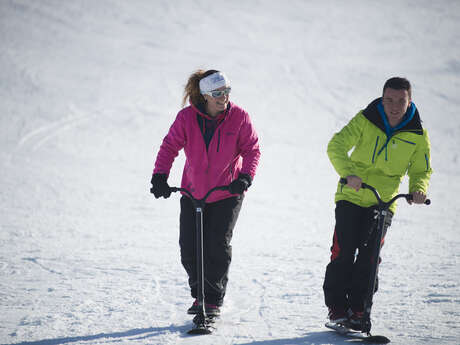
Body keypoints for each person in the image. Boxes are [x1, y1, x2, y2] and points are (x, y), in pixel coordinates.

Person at [323, 77, 432, 329]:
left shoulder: (417, 135)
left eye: (400, 101)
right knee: (344, 251)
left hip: (382, 201)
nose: (394, 106)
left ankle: (360, 310)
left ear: (409, 101)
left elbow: (421, 170)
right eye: (389, 100)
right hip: (351, 194)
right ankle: (337, 308)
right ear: (382, 99)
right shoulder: (366, 120)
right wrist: (348, 172)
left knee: (370, 257)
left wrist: (418, 189)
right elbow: (336, 145)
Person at [150, 69, 260, 316]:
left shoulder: (239, 117)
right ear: (205, 96)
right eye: (217, 93)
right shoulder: (186, 118)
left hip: (227, 192)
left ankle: (211, 299)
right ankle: (198, 294)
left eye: (227, 91)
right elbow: (169, 147)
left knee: (216, 246)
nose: (224, 97)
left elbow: (252, 149)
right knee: (189, 248)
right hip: (193, 192)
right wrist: (160, 176)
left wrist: (245, 177)